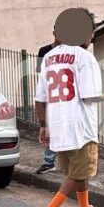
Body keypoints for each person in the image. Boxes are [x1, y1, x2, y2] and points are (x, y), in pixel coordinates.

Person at [33, 9, 104, 207]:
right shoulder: (84, 57)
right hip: (80, 126)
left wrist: (43, 126)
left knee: (75, 171)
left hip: (57, 124)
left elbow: (39, 98)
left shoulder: (48, 57)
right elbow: (89, 95)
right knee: (79, 171)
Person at [35, 39, 59, 175]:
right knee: (49, 128)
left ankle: (52, 161)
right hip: (51, 94)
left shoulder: (73, 51)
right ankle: (49, 161)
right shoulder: (44, 51)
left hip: (65, 95)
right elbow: (40, 74)